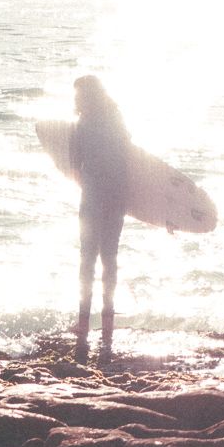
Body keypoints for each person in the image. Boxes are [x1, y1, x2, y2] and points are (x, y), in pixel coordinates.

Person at [71, 75, 131, 367]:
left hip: (96, 202)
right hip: (112, 201)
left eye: (78, 95)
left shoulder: (84, 124)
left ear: (88, 95)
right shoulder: (115, 119)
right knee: (107, 263)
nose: (75, 100)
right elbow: (130, 161)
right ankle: (104, 334)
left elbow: (74, 164)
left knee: (89, 264)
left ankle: (85, 330)